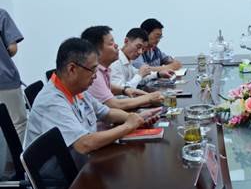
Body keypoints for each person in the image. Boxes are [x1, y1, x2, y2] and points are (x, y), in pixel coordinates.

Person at [24, 38, 160, 156]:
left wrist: (136, 118)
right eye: (93, 69)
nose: (95, 76)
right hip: (66, 174)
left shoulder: (77, 90)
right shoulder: (52, 101)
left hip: (85, 161)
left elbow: (106, 113)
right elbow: (84, 144)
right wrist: (128, 126)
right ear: (72, 69)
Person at [81, 26, 163, 111]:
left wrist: (125, 90)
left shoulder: (104, 69)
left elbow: (108, 87)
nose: (116, 45)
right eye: (111, 43)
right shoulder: (96, 74)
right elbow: (114, 104)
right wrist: (148, 98)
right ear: (96, 49)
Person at [0, 8, 27, 144]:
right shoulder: (1, 14)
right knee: (18, 123)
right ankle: (14, 157)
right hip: (5, 79)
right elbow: (12, 48)